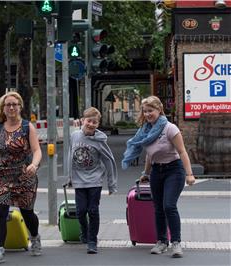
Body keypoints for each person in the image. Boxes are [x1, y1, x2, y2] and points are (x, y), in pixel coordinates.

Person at [122, 96, 195, 258]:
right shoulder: (145, 131)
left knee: (169, 206)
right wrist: (145, 174)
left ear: (159, 110)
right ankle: (162, 242)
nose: (148, 114)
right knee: (158, 209)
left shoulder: (170, 128)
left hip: (174, 170)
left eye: (151, 111)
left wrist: (189, 174)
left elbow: (182, 151)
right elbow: (149, 156)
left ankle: (176, 243)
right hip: (157, 171)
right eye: (145, 111)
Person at [0, 91, 42, 264]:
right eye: (8, 104)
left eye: (14, 104)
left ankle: (34, 236)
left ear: (20, 107)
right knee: (0, 212)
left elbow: (37, 150)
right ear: (3, 108)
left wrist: (34, 164)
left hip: (24, 176)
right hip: (3, 176)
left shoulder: (27, 127)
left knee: (27, 213)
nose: (11, 107)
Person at [68, 107, 118, 254]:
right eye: (89, 121)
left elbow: (109, 161)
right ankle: (85, 231)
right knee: (80, 211)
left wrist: (112, 184)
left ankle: (92, 241)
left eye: (94, 122)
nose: (91, 124)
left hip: (94, 180)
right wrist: (69, 177)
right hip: (78, 180)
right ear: (83, 120)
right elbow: (70, 154)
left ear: (98, 124)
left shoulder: (100, 141)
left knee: (93, 210)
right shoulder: (75, 136)